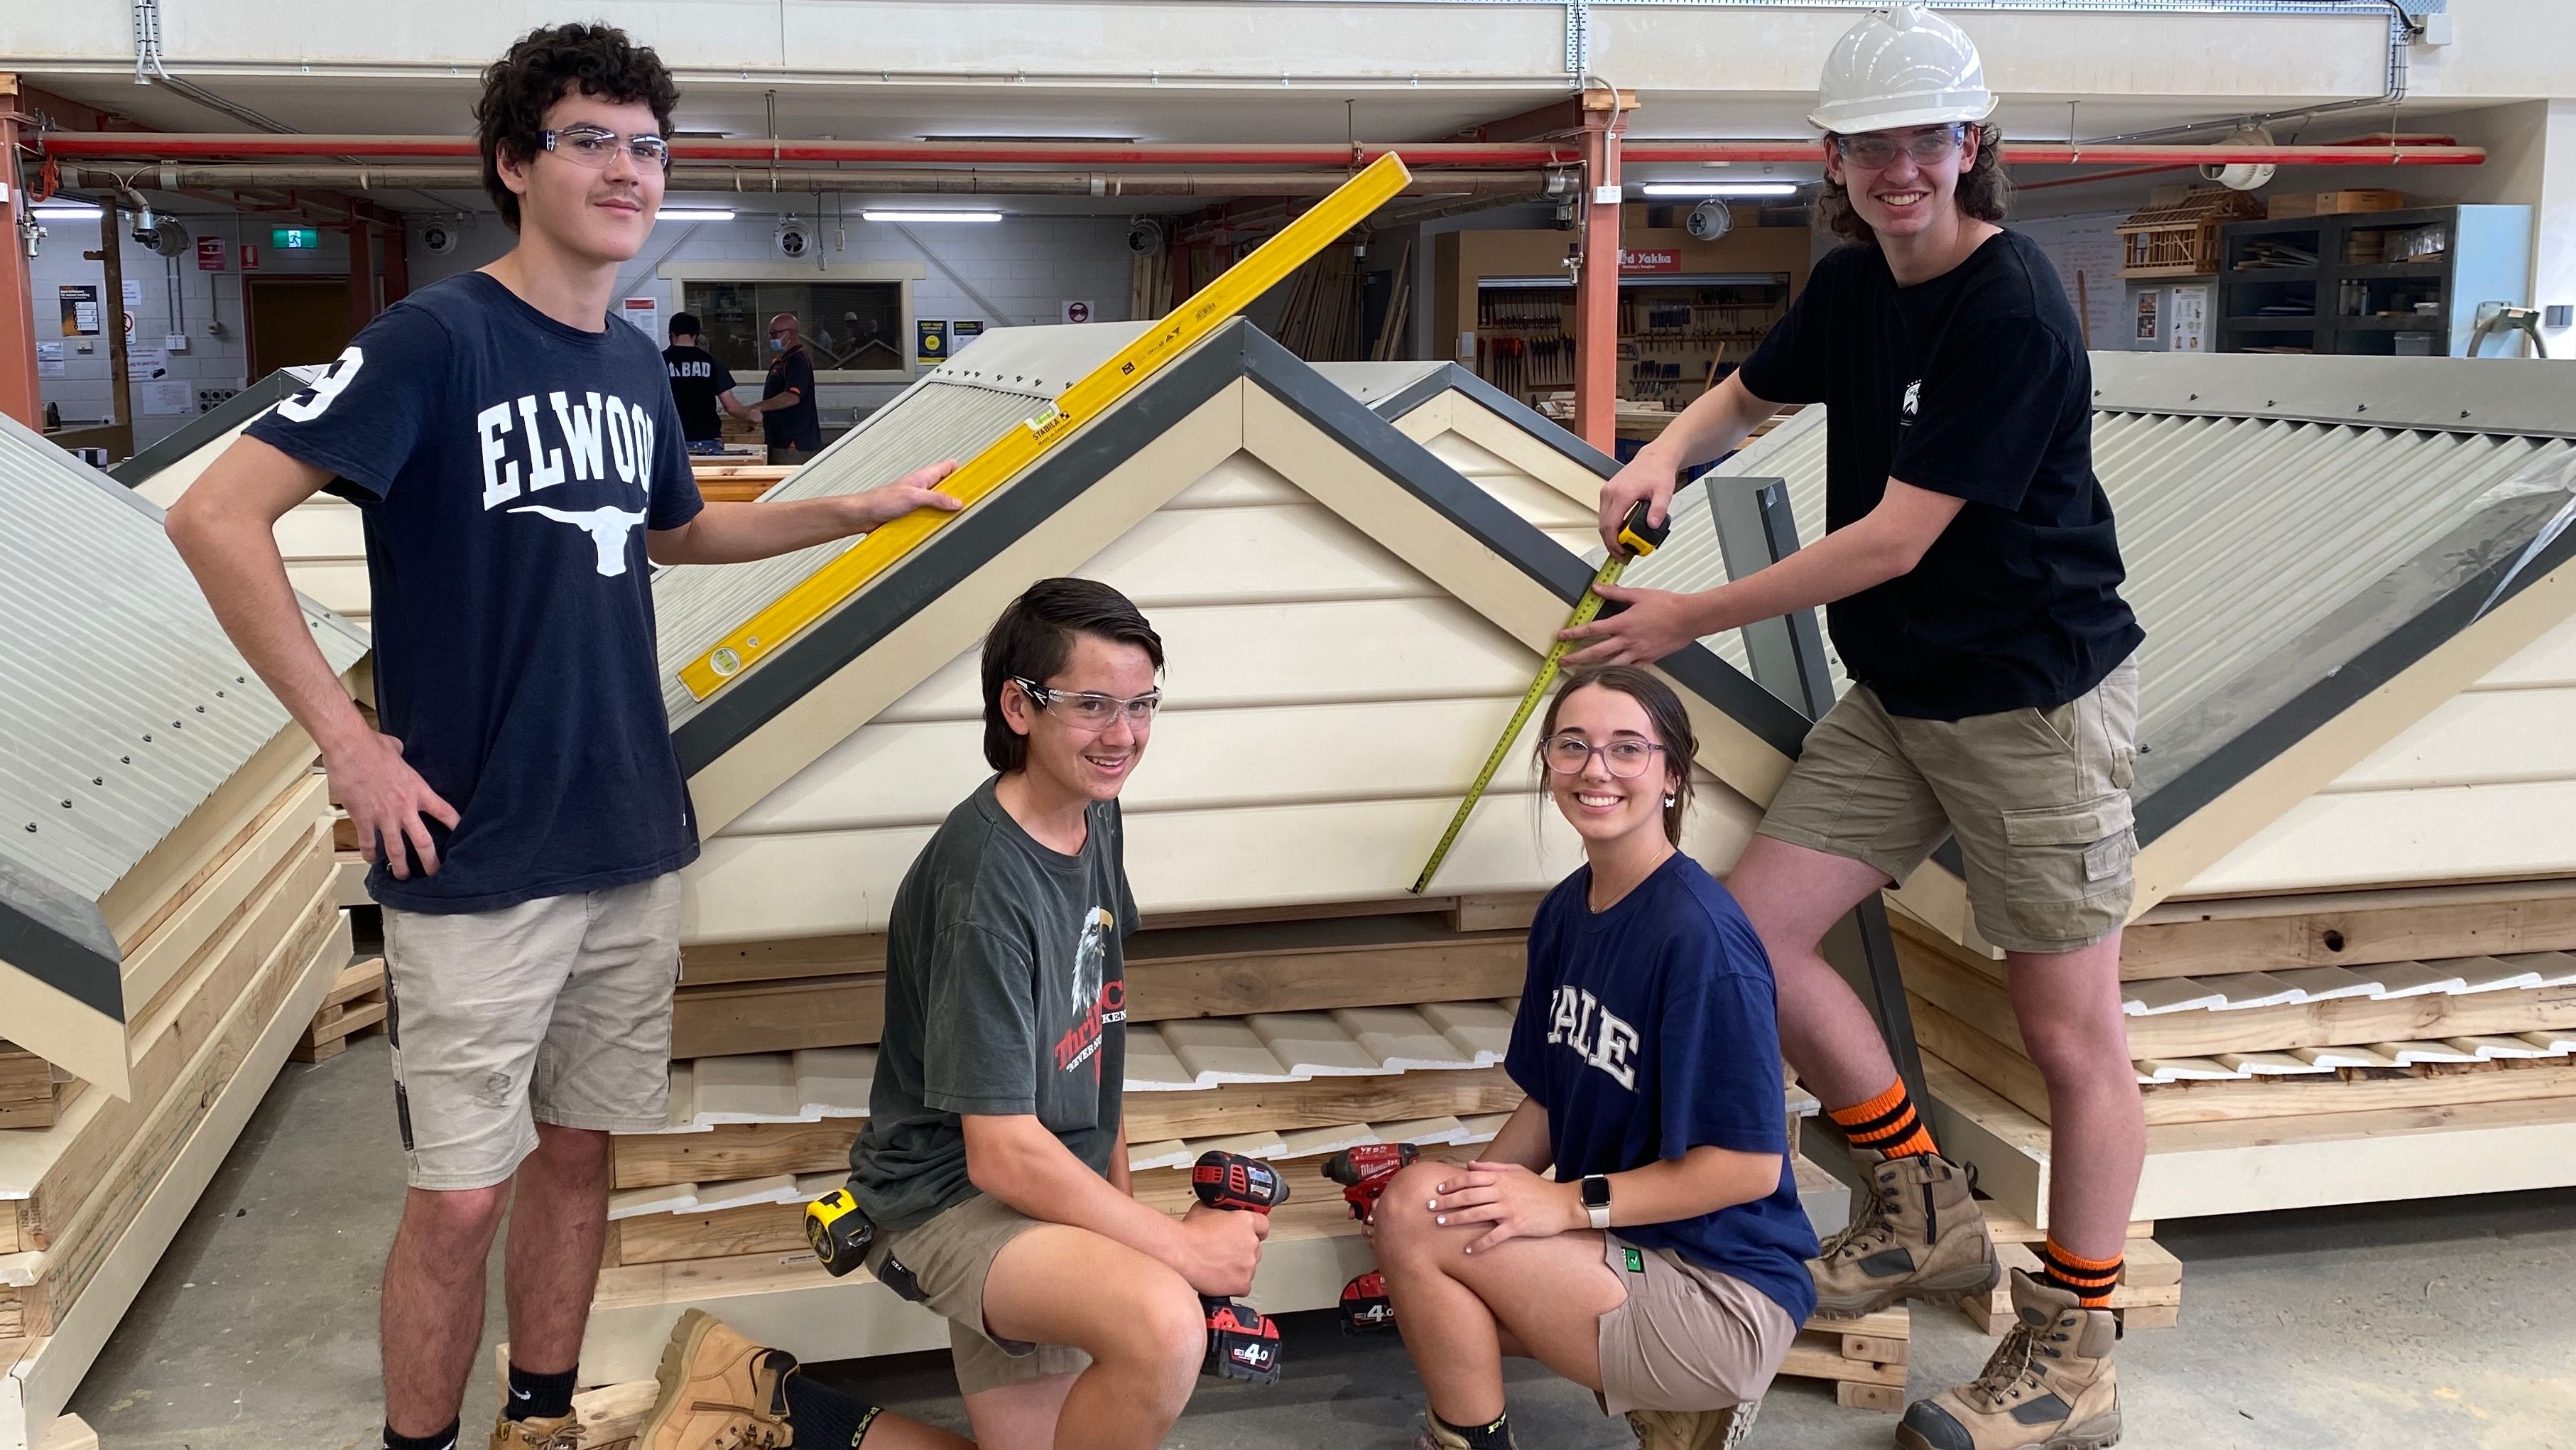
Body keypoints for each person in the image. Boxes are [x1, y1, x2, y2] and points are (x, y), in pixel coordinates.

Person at [163, 23, 964, 1450]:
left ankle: (537, 1415)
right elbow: (213, 516)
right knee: (462, 1191)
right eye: (591, 140)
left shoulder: (628, 361)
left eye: (648, 146)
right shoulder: (432, 340)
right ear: (513, 165)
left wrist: (851, 509)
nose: (628, 170)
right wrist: (350, 745)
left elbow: (677, 530)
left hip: (622, 830)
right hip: (472, 842)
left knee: (581, 1156)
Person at [1565, 9, 2143, 1450]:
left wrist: (1686, 617)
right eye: (1867, 146)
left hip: (2028, 701)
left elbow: (1890, 541)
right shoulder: (1848, 284)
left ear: (1970, 147)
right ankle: (1921, 1203)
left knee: (2067, 1035)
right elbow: (1747, 396)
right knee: (1748, 939)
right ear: (1833, 160)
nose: (1895, 169)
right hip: (1898, 696)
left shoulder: (2007, 306)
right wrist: (1657, 448)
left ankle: (2072, 1344)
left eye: (1920, 141)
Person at [845, 578, 1267, 1450]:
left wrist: (1123, 1224)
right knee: (1165, 1327)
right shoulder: (983, 887)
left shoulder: (1091, 815)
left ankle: (780, 1408)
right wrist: (1175, 1254)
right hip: (950, 1199)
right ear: (1020, 705)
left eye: (1143, 705)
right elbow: (999, 1152)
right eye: (1094, 706)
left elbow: (1095, 1042)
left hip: (1049, 1187)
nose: (1124, 735)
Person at [1371, 666, 1818, 1450]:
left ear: (1673, 775)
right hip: (1629, 1247)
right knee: (1422, 1217)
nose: (1595, 769)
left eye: (1627, 749)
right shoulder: (1566, 912)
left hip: (1722, 1289)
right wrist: (1472, 1194)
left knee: (1419, 1219)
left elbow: (1749, 1168)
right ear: (1547, 764)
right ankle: (1671, 1410)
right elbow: (1552, 1098)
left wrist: (1563, 1204)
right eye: (1572, 746)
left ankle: (1492, 1436)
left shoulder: (1702, 939)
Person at [662, 310, 760, 454]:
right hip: (706, 440)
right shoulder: (712, 361)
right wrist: (751, 415)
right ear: (696, 336)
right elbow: (731, 406)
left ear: (671, 334)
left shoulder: (659, 361)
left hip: (670, 440)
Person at [740, 310, 824, 464]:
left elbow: (791, 397)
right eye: (770, 334)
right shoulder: (782, 360)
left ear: (790, 333)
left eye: (775, 334)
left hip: (793, 443)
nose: (771, 338)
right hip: (778, 439)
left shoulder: (797, 361)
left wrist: (756, 407)